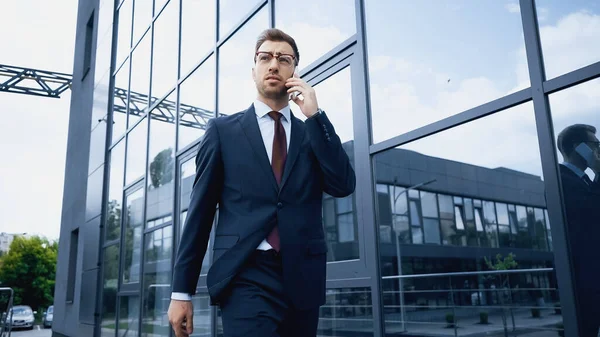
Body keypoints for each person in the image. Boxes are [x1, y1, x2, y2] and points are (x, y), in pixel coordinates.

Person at [167, 28, 356, 337]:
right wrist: (181, 292)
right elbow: (199, 215)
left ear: (295, 71)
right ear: (253, 69)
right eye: (265, 57)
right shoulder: (222, 132)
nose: (273, 64)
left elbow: (343, 184)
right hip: (245, 274)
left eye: (284, 59)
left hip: (303, 278)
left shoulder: (312, 133)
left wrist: (316, 116)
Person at [556, 124, 600, 337]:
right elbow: (592, 211)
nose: (599, 149)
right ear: (578, 147)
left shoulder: (584, 180)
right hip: (585, 277)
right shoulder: (560, 179)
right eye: (595, 144)